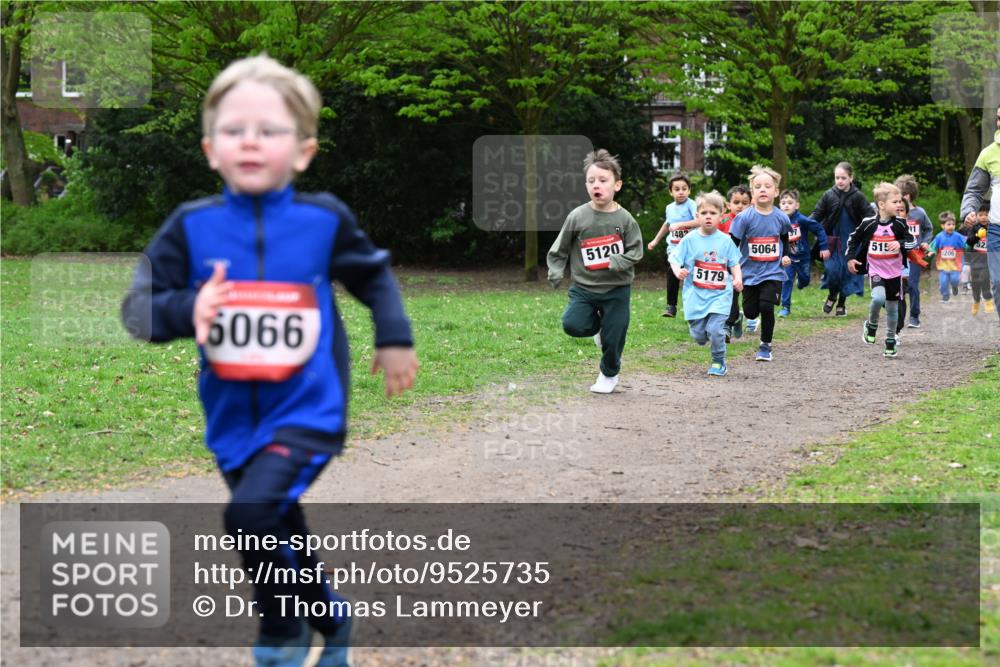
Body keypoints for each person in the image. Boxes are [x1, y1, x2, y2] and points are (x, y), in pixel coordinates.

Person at [121, 55, 419, 667]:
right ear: (210, 149)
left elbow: (374, 278)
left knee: (249, 513)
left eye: (270, 130)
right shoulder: (190, 227)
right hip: (231, 418)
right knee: (276, 524)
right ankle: (333, 619)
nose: (250, 141)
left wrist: (393, 337)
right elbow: (138, 309)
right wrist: (188, 308)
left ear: (303, 151)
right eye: (234, 130)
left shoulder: (322, 221)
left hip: (309, 409)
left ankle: (283, 632)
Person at [548, 149, 644, 393]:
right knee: (572, 325)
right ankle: (598, 327)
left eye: (603, 180)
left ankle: (609, 374)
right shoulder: (577, 216)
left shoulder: (625, 220)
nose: (596, 186)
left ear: (617, 185)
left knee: (615, 338)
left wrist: (619, 260)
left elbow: (637, 250)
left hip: (617, 290)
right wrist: (556, 270)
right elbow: (559, 248)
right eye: (591, 181)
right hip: (584, 288)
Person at [669, 190, 743, 376]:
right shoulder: (689, 239)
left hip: (720, 294)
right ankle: (728, 324)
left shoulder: (726, 241)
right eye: (704, 213)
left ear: (720, 216)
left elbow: (734, 262)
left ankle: (719, 361)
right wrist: (678, 270)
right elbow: (674, 258)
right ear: (697, 216)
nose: (708, 217)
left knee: (716, 330)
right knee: (699, 336)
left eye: (712, 213)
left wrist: (737, 278)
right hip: (695, 295)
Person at [727, 165, 792, 362]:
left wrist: (786, 255)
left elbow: (785, 238)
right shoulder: (744, 218)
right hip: (749, 273)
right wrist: (730, 268)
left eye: (767, 186)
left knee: (766, 306)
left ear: (776, 191)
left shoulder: (781, 217)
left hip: (773, 272)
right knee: (751, 312)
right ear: (753, 192)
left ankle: (765, 345)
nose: (763, 189)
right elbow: (732, 244)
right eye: (758, 186)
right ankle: (739, 317)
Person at [845, 183, 910, 358]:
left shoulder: (901, 225)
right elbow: (853, 240)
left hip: (895, 273)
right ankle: (871, 324)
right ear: (881, 205)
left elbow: (912, 243)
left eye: (900, 202)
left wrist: (900, 244)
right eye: (895, 202)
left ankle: (890, 341)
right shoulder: (868, 224)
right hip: (875, 270)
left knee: (892, 309)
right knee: (878, 298)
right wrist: (851, 258)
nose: (899, 205)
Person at [960, 103, 1000, 335]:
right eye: (998, 118)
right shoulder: (988, 154)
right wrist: (968, 211)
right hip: (996, 230)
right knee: (998, 283)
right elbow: (974, 191)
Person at [811, 161, 870, 316]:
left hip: (851, 241)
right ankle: (832, 295)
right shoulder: (828, 195)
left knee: (847, 272)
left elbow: (870, 215)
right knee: (832, 270)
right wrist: (801, 225)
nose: (840, 181)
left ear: (851, 178)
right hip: (832, 240)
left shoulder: (858, 196)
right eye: (837, 178)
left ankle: (841, 303)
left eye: (843, 178)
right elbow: (816, 214)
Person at [647, 173, 698, 317]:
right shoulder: (669, 207)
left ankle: (695, 307)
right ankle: (671, 307)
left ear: (689, 190)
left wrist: (680, 225)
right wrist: (655, 240)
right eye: (677, 189)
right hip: (674, 248)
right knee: (672, 272)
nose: (681, 192)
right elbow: (667, 224)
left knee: (691, 278)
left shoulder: (692, 204)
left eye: (684, 188)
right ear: (671, 192)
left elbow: (699, 221)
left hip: (691, 249)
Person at [777, 188, 830, 317]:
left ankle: (801, 282)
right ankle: (785, 307)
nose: (786, 205)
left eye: (790, 202)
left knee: (805, 281)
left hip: (803, 258)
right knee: (787, 279)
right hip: (787, 257)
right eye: (783, 203)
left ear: (797, 205)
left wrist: (823, 247)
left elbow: (819, 229)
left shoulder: (802, 220)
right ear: (779, 205)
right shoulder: (777, 220)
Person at [894, 175, 933, 328]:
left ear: (907, 196)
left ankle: (914, 316)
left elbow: (928, 229)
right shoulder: (895, 213)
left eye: (898, 196)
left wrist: (925, 241)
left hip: (915, 255)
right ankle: (899, 316)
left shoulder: (920, 213)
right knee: (899, 287)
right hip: (898, 256)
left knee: (912, 285)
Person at [929, 212, 966, 301]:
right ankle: (945, 295)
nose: (951, 226)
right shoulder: (939, 237)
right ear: (943, 226)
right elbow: (934, 246)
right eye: (948, 224)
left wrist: (970, 246)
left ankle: (954, 287)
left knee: (955, 280)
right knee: (943, 282)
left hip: (955, 265)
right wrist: (931, 251)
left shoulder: (958, 236)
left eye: (953, 224)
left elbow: (966, 243)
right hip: (943, 265)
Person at [965, 203, 994, 314]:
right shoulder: (974, 228)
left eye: (986, 214)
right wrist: (977, 236)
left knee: (985, 279)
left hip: (988, 261)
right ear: (976, 216)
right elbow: (968, 242)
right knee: (975, 284)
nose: (983, 217)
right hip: (975, 261)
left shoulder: (993, 228)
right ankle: (976, 301)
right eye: (981, 214)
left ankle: (988, 300)